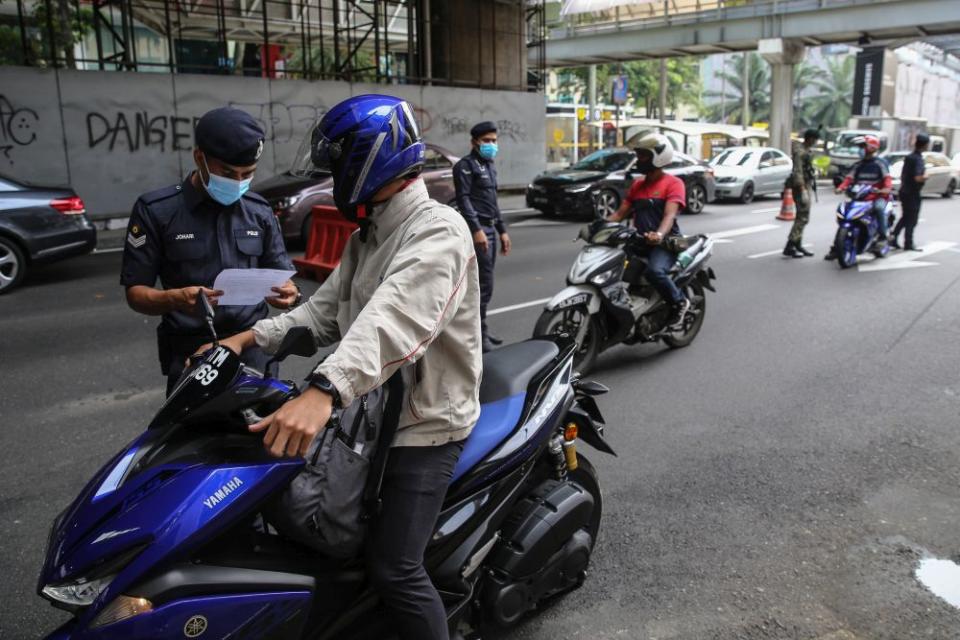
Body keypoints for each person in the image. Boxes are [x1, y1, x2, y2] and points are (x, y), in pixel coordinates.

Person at [202, 95, 481, 640]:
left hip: (425, 424)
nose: (333, 183)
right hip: (369, 410)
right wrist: (247, 338)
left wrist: (324, 389)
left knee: (396, 568)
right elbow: (324, 314)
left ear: (366, 165)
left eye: (337, 172)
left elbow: (393, 321)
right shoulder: (368, 233)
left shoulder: (437, 230)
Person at [121, 107, 299, 395]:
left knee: (257, 438)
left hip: (253, 349)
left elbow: (283, 279)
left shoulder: (259, 212)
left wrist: (290, 293)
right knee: (193, 437)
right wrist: (176, 299)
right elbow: (136, 294)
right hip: (191, 355)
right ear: (199, 158)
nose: (238, 181)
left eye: (247, 174)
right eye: (228, 173)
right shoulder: (157, 211)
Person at [605, 133, 689, 328]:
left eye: (643, 156)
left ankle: (679, 302)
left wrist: (659, 234)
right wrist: (599, 226)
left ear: (658, 157)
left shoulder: (673, 184)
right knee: (611, 267)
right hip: (639, 240)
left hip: (664, 243)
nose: (638, 160)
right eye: (639, 155)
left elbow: (669, 216)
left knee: (655, 272)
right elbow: (619, 214)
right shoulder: (638, 184)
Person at [453, 121, 512, 352]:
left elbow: (493, 204)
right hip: (477, 232)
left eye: (494, 141)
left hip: (490, 230)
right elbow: (464, 199)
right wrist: (476, 229)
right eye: (487, 141)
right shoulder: (465, 166)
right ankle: (476, 335)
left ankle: (481, 330)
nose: (492, 145)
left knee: (484, 284)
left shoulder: (489, 166)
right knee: (482, 284)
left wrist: (503, 231)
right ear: (474, 142)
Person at [825, 134, 892, 260]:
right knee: (845, 214)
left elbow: (887, 179)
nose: (860, 149)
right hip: (860, 197)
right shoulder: (858, 164)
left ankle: (883, 237)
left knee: (879, 209)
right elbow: (849, 178)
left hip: (877, 197)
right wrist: (841, 188)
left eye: (863, 146)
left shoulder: (880, 163)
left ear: (872, 147)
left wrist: (885, 189)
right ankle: (836, 247)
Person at [783, 128, 820, 258]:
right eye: (815, 139)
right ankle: (790, 245)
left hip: (806, 185)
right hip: (800, 187)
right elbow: (798, 172)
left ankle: (797, 244)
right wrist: (803, 190)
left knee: (803, 217)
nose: (816, 142)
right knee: (802, 217)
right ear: (810, 139)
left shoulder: (806, 151)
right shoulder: (800, 152)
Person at [891, 132, 928, 251]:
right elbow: (917, 177)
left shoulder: (910, 157)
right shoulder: (917, 159)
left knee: (906, 217)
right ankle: (908, 243)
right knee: (911, 219)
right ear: (925, 145)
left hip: (904, 191)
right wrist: (926, 176)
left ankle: (893, 237)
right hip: (912, 193)